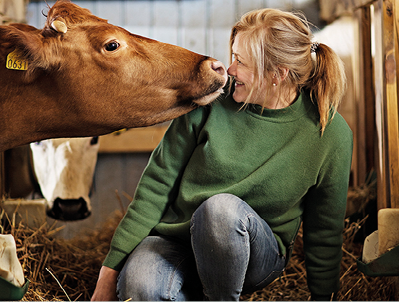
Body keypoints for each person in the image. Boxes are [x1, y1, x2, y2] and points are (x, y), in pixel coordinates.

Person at [91, 8, 352, 301]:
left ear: (278, 74)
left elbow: (325, 230)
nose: (229, 70)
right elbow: (155, 186)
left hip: (254, 255)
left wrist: (325, 297)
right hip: (176, 241)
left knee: (219, 211)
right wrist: (109, 273)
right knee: (139, 287)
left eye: (241, 62)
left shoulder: (329, 134)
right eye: (232, 56)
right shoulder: (210, 102)